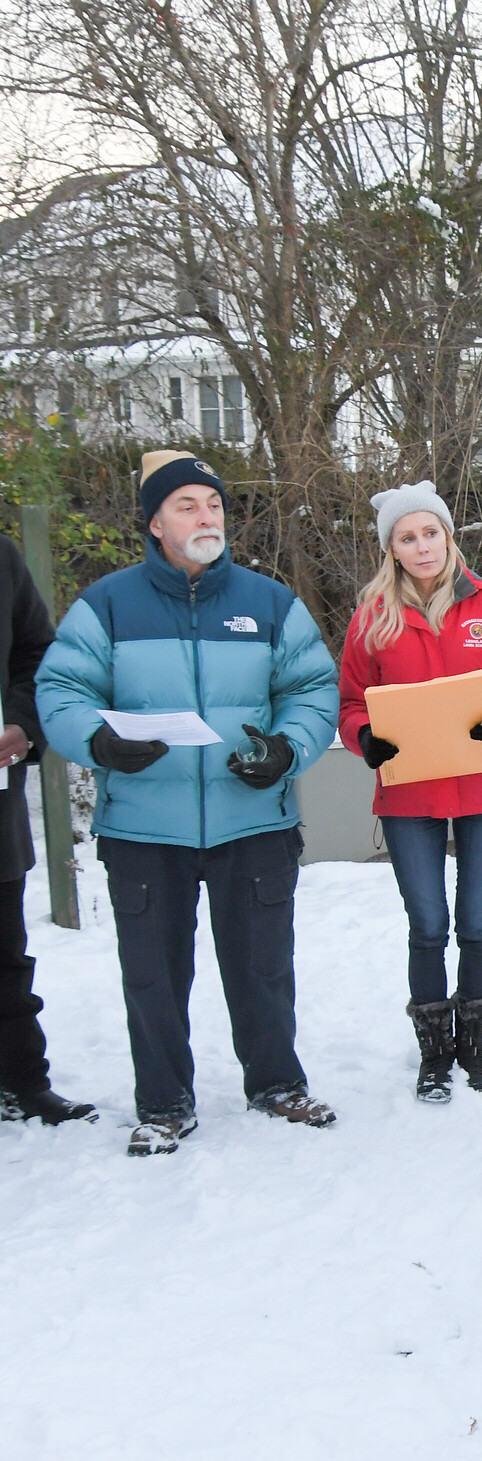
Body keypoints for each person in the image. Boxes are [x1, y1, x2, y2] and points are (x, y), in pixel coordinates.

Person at [35, 451, 340, 1156]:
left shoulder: (269, 604)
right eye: (187, 506)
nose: (207, 517)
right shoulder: (108, 604)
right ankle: (165, 1102)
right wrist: (99, 742)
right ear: (154, 522)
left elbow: (312, 689)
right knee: (152, 975)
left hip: (253, 818)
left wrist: (286, 750)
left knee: (264, 965)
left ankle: (276, 1082)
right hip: (146, 826)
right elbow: (61, 690)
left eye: (214, 504)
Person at [338, 481, 482, 1102]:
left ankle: (475, 1048)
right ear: (391, 549)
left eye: (431, 533)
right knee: (427, 926)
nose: (422, 547)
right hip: (409, 799)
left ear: (448, 537)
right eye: (408, 538)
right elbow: (350, 704)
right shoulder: (373, 618)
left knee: (476, 924)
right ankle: (434, 1052)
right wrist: (364, 737)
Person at [0, 531, 96, 1126]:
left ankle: (21, 1083)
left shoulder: (4, 557)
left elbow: (37, 655)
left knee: (5, 959)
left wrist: (21, 725)